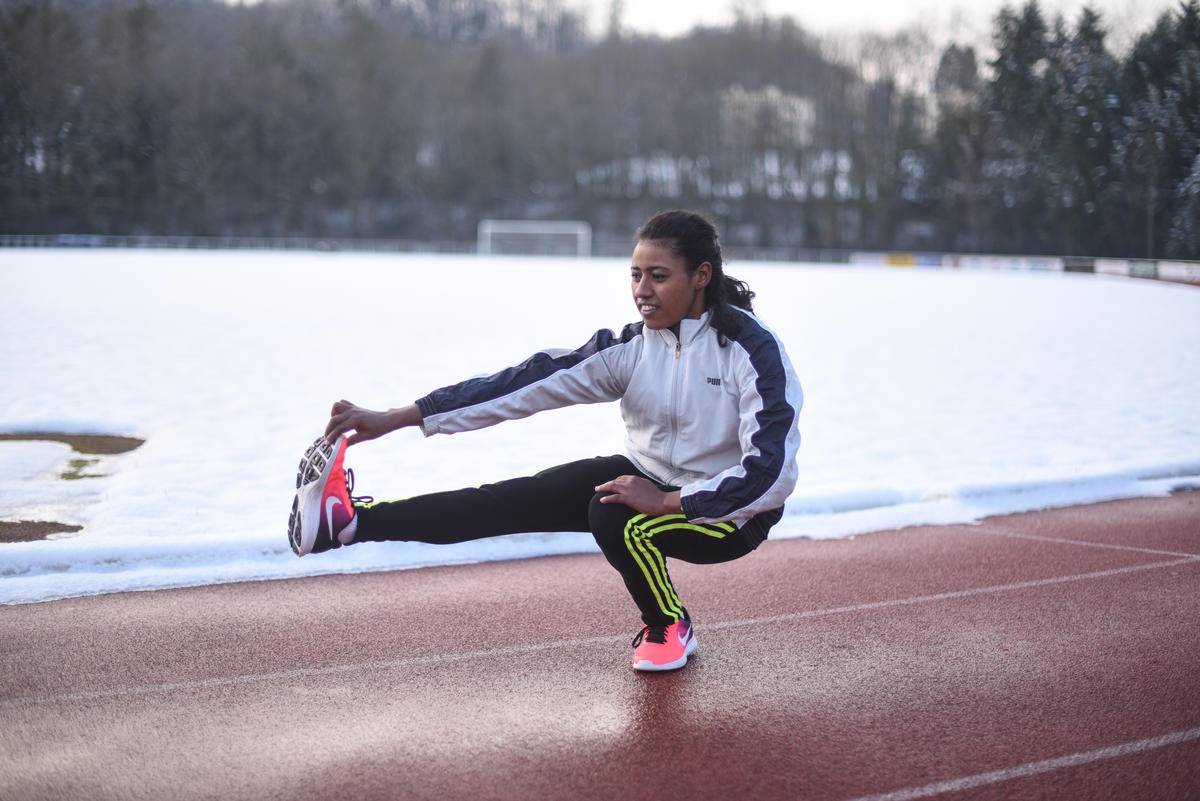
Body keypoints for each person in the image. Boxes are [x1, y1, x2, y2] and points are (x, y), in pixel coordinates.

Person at [287, 210, 803, 672]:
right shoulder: (631, 348)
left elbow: (771, 473)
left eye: (659, 276)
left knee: (615, 515)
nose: (642, 289)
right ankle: (348, 524)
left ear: (701, 277)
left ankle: (668, 624)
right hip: (650, 478)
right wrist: (403, 416)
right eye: (635, 275)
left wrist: (669, 500)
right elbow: (525, 384)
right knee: (507, 501)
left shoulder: (750, 350)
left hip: (731, 515)